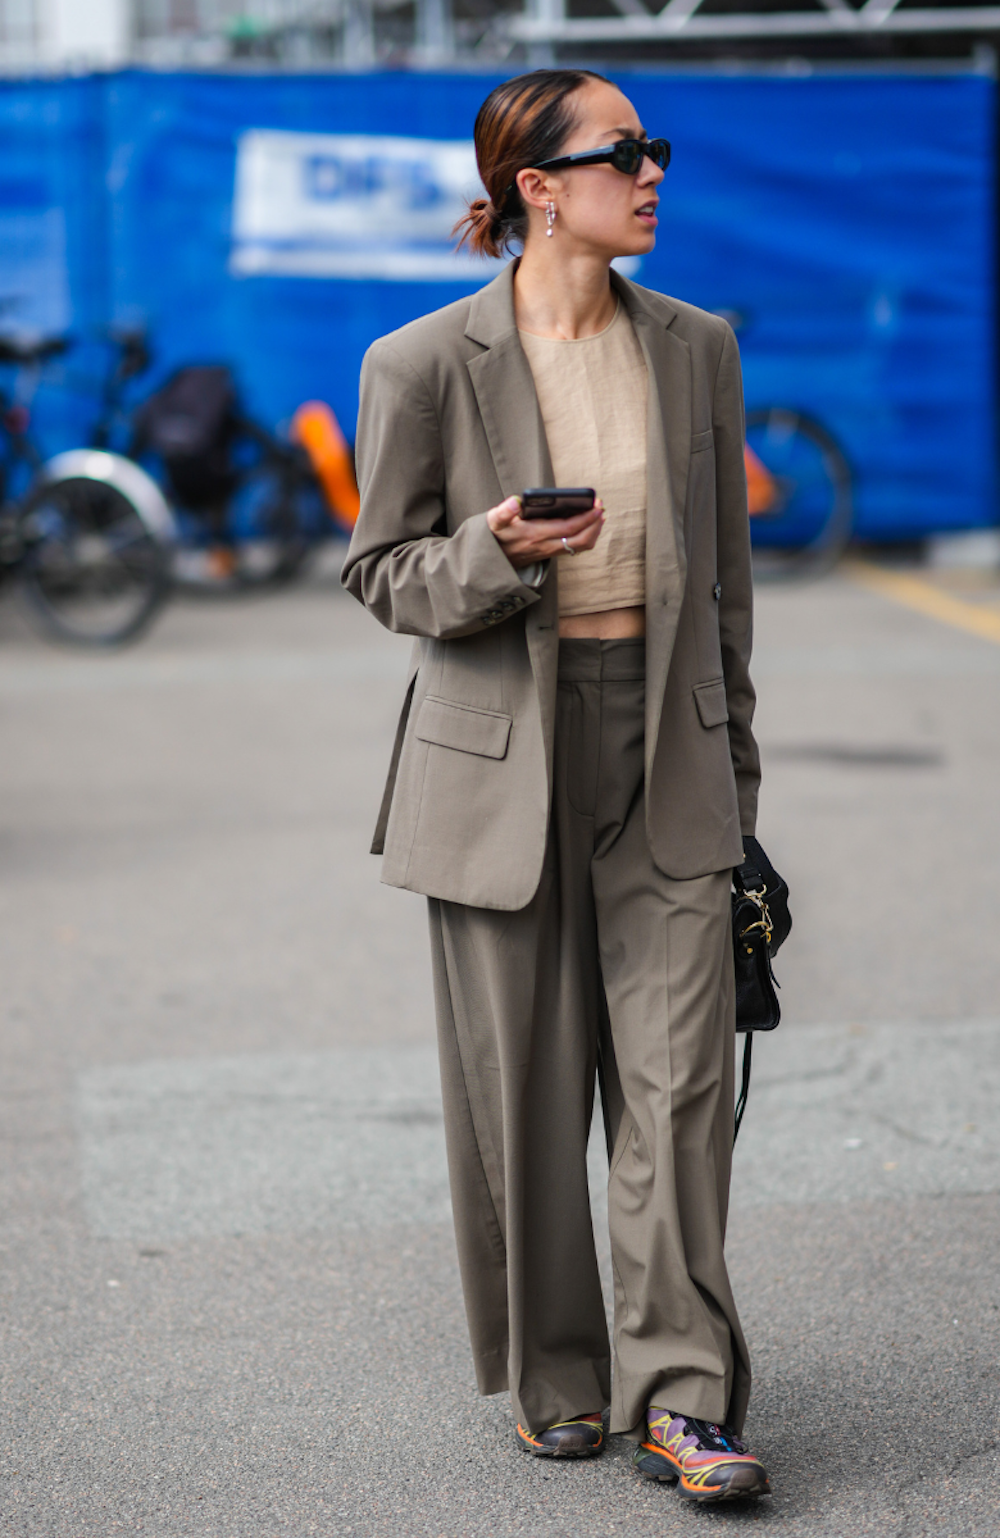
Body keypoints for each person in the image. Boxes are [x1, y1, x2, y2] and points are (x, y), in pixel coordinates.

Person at [342, 68, 770, 1504]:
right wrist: (492, 553)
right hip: (498, 759)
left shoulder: (696, 347)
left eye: (657, 150)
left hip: (670, 746)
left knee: (676, 1088)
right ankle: (564, 1377)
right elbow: (378, 570)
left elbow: (725, 592)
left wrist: (742, 792)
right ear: (539, 187)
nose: (654, 173)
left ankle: (686, 1395)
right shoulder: (421, 362)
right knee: (526, 1095)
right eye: (624, 152)